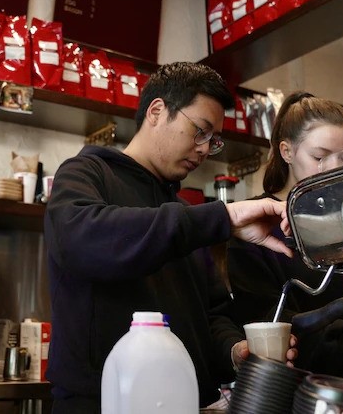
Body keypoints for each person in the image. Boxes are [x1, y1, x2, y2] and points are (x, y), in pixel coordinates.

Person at [44, 62, 296, 412]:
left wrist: (235, 352)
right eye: (200, 131)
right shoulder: (87, 174)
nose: (205, 149)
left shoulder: (185, 215)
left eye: (213, 140)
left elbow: (209, 316)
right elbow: (82, 240)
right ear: (157, 111)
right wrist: (223, 215)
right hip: (102, 403)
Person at [227, 92, 343, 379]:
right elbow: (270, 328)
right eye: (320, 157)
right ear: (287, 152)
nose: (335, 170)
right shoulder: (255, 229)